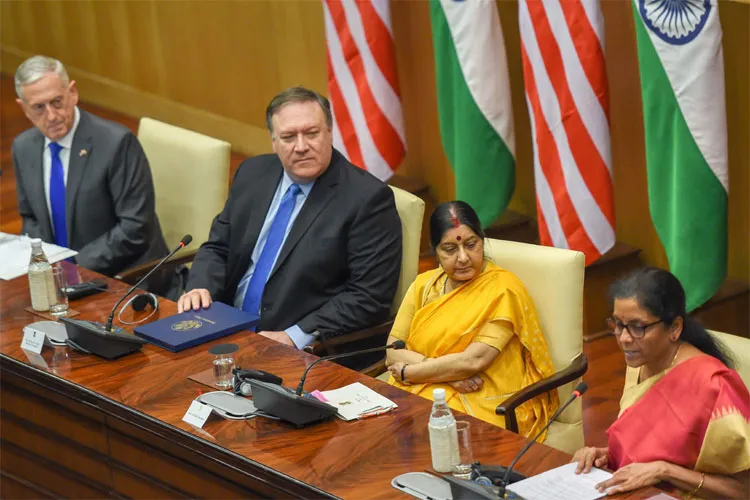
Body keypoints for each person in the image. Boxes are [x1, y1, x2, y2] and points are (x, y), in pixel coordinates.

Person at [178, 86, 402, 352]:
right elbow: (218, 246)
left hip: (298, 347)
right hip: (222, 327)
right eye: (288, 137)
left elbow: (368, 297)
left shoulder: (367, 199)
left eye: (312, 133)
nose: (301, 146)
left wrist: (295, 336)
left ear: (330, 132)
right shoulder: (252, 173)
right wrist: (200, 286)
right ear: (273, 141)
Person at [573, 268, 749, 499]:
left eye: (638, 327)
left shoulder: (714, 384)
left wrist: (665, 471)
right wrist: (604, 455)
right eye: (618, 324)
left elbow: (744, 490)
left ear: (674, 328)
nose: (624, 338)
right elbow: (651, 447)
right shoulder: (642, 361)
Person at [386, 201, 558, 437]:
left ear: (482, 241)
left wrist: (410, 372)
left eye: (471, 244)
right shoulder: (423, 286)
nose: (463, 257)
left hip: (486, 398)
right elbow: (393, 351)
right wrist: (448, 377)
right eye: (450, 249)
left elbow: (473, 361)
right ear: (435, 251)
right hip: (434, 387)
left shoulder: (504, 290)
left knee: (421, 433)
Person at [12, 56, 169, 285]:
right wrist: (46, 264)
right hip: (59, 280)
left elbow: (135, 228)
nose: (52, 116)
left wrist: (74, 270)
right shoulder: (23, 147)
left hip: (124, 278)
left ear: (73, 93)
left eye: (57, 102)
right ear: (24, 108)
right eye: (39, 107)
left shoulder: (116, 143)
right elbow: (30, 217)